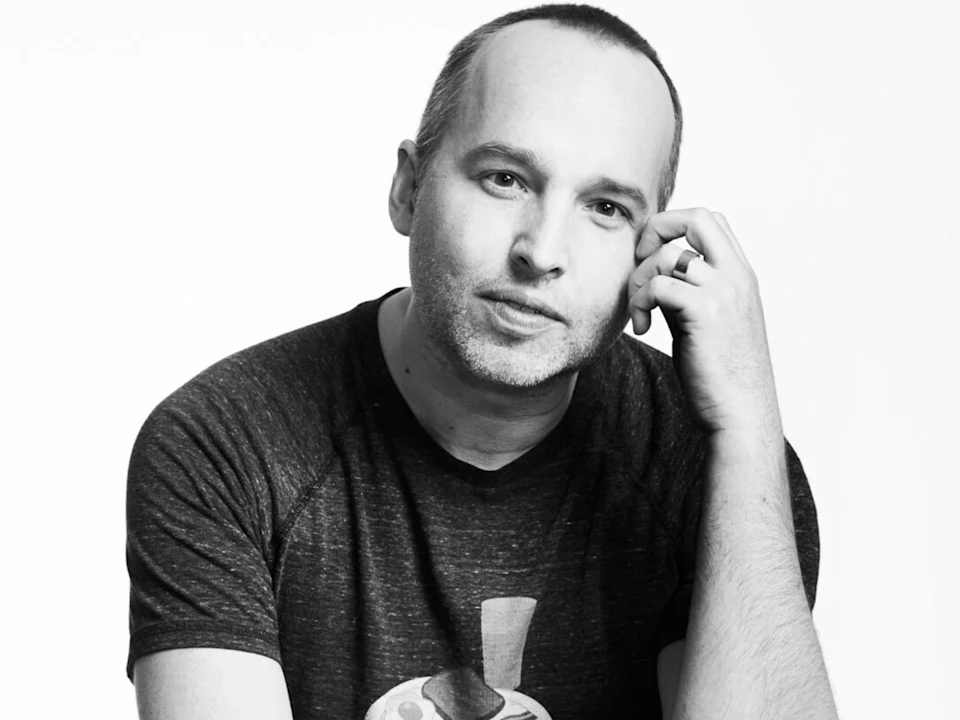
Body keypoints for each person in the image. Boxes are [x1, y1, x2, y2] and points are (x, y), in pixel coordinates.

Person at [126, 4, 838, 719]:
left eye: (605, 208)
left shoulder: (716, 467)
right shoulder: (226, 443)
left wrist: (747, 429)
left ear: (649, 246)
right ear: (409, 188)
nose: (542, 251)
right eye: (505, 178)